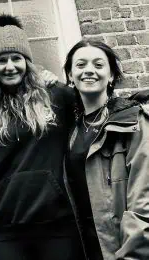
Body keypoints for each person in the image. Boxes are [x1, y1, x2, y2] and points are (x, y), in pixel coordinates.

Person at [0, 14, 84, 260]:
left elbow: (94, 109)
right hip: (5, 226)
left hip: (57, 222)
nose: (10, 66)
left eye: (16, 58)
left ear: (27, 61)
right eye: (1, 60)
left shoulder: (57, 96)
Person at [63, 39, 149, 259]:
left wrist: (133, 255)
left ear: (111, 76)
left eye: (98, 65)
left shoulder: (133, 121)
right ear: (71, 76)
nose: (89, 70)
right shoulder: (70, 132)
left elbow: (144, 200)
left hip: (124, 250)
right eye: (80, 65)